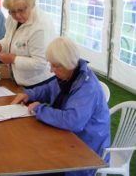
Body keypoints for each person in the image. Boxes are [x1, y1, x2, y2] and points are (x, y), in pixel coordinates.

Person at [11, 37, 110, 176]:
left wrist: (39, 109)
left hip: (86, 151)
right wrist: (29, 95)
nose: (51, 70)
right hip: (68, 138)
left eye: (56, 66)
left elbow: (72, 122)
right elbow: (49, 89)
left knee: (30, 164)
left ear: (69, 63)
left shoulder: (88, 87)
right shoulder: (70, 74)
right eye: (51, 65)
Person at [0, 0, 56, 88]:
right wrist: (0, 45)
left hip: (38, 83)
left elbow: (40, 62)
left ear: (31, 5)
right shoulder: (12, 18)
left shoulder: (41, 26)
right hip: (18, 78)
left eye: (21, 10)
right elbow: (11, 40)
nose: (17, 15)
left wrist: (13, 59)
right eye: (12, 11)